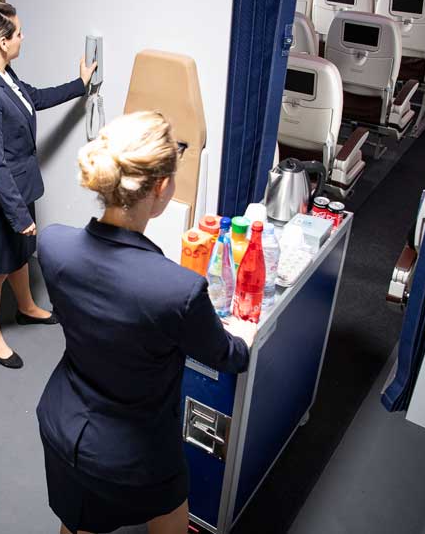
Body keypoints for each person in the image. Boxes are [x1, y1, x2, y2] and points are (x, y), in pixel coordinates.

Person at [36, 111, 258, 534]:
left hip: (63, 426)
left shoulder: (53, 245)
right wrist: (243, 339)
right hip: (135, 450)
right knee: (171, 517)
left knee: (78, 522)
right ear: (160, 188)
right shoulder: (178, 290)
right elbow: (227, 356)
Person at [0, 1, 98, 369]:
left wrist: (80, 85)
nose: (23, 37)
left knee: (20, 256)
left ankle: (25, 307)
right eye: (19, 32)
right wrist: (19, 215)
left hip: (18, 191)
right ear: (2, 42)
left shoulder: (3, 74)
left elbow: (33, 99)